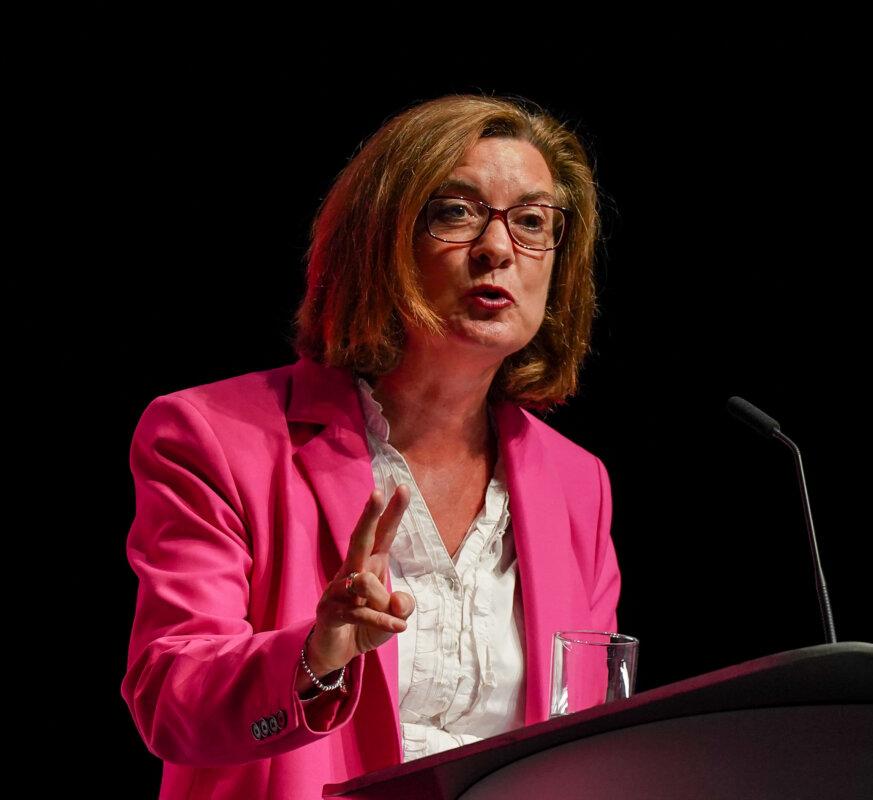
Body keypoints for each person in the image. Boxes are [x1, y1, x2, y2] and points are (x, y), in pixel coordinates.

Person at [122, 94, 621, 800]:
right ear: (377, 239)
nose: (497, 248)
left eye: (534, 222)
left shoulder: (577, 483)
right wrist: (317, 653)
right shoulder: (214, 436)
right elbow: (172, 702)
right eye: (455, 211)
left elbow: (586, 735)